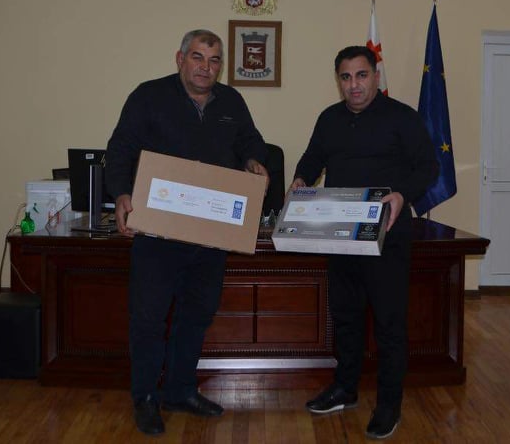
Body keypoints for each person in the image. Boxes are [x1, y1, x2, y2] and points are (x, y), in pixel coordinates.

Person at [105, 29, 268, 436]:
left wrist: (253, 161)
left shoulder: (231, 101)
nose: (205, 67)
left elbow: (252, 141)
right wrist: (122, 194)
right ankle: (146, 398)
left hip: (211, 234)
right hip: (157, 233)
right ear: (180, 59)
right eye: (197, 57)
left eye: (214, 60)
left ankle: (179, 391)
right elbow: (120, 149)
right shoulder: (148, 96)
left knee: (197, 315)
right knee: (148, 318)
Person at [291, 45, 437, 440]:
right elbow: (312, 158)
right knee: (345, 317)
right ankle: (345, 388)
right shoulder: (329, 119)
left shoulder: (402, 117)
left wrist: (402, 194)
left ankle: (389, 404)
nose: (354, 85)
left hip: (387, 236)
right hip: (340, 235)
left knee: (389, 324)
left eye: (361, 75)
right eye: (346, 77)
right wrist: (301, 179)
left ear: (375, 76)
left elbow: (428, 166)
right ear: (338, 81)